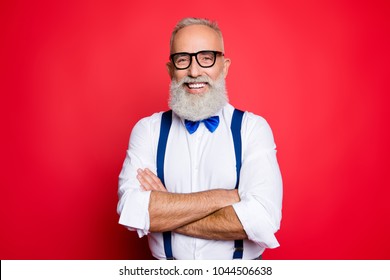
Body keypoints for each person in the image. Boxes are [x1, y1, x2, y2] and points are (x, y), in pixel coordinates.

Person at [117, 17, 283, 260]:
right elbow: (131, 210)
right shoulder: (148, 130)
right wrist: (224, 197)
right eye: (183, 59)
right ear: (171, 69)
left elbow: (262, 221)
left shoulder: (252, 129)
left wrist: (164, 211)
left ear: (224, 66)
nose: (194, 72)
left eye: (206, 58)